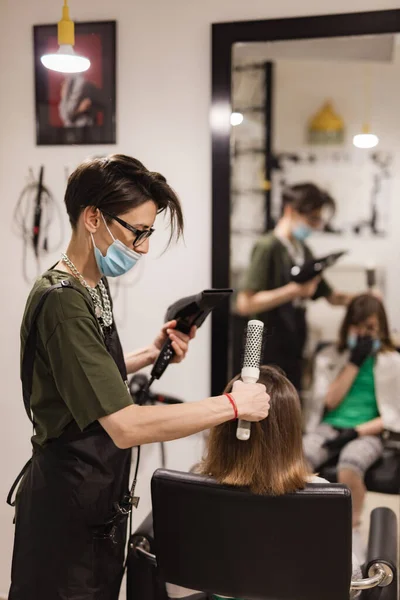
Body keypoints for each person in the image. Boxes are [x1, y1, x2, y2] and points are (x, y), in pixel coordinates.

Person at [8, 154, 270, 600]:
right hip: (66, 515)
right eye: (139, 231)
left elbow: (80, 373)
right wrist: (232, 406)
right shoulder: (61, 299)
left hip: (95, 504)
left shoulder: (89, 284)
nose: (144, 247)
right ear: (94, 218)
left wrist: (150, 353)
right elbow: (126, 425)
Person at [166, 365, 361, 600]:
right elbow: (351, 585)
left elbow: (179, 590)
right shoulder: (323, 495)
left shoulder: (193, 493)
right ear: (290, 431)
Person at [303, 293, 400, 558]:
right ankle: (303, 525)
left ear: (381, 327)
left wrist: (356, 431)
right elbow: (331, 401)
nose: (364, 333)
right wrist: (354, 363)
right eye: (358, 326)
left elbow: (393, 416)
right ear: (348, 326)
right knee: (299, 459)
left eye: (371, 328)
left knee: (350, 465)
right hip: (330, 426)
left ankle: (352, 529)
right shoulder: (330, 356)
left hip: (369, 431)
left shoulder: (393, 362)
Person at [235, 183, 352, 391]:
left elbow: (332, 297)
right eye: (312, 219)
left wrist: (364, 299)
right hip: (266, 346)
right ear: (290, 210)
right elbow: (245, 304)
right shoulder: (268, 247)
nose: (315, 226)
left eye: (318, 220)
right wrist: (294, 291)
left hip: (293, 343)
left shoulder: (303, 250)